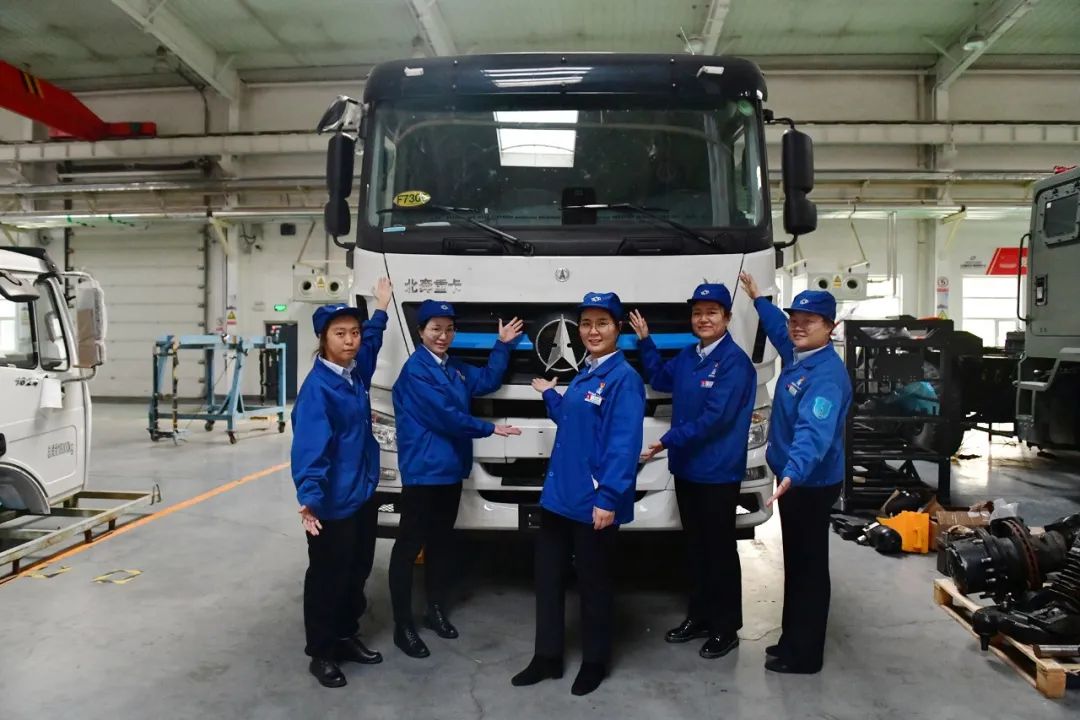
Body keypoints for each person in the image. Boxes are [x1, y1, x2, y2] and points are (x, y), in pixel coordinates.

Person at [511, 292, 646, 697]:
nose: (592, 331)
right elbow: (573, 419)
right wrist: (550, 395)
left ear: (618, 329)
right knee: (548, 579)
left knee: (594, 585)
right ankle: (547, 657)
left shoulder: (623, 379)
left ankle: (594, 662)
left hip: (593, 503)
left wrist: (608, 498)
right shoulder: (586, 372)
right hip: (559, 497)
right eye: (586, 324)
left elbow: (623, 445)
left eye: (602, 323)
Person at [389, 300, 524, 658]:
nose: (443, 336)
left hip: (450, 471)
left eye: (449, 329)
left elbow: (488, 380)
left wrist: (503, 345)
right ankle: (403, 626)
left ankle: (434, 610)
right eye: (435, 329)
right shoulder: (415, 372)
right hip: (423, 473)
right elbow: (446, 417)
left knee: (441, 544)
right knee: (408, 548)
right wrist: (490, 429)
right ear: (421, 332)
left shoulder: (455, 368)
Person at [628, 283, 756, 660]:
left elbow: (715, 418)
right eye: (698, 313)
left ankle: (726, 627)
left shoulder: (734, 363)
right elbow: (659, 378)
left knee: (719, 550)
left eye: (712, 313)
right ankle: (699, 617)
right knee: (696, 549)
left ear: (727, 318)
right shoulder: (689, 356)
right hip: (688, 469)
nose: (703, 319)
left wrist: (667, 440)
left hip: (717, 473)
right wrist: (645, 341)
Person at [739, 271, 852, 675]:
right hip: (795, 482)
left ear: (830, 327)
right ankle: (792, 640)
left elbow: (813, 433)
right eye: (795, 319)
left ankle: (805, 655)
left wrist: (792, 473)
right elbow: (776, 327)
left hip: (809, 483)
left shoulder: (826, 377)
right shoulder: (798, 354)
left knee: (809, 570)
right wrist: (759, 299)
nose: (798, 327)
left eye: (809, 321)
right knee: (799, 565)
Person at [290, 278, 393, 689]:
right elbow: (310, 450)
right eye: (340, 334)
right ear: (323, 339)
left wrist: (381, 308)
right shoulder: (319, 390)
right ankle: (322, 652)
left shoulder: (354, 373)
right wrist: (310, 498)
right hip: (331, 503)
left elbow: (372, 343)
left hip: (362, 494)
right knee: (327, 579)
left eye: (353, 332)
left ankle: (346, 635)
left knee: (357, 571)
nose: (350, 341)